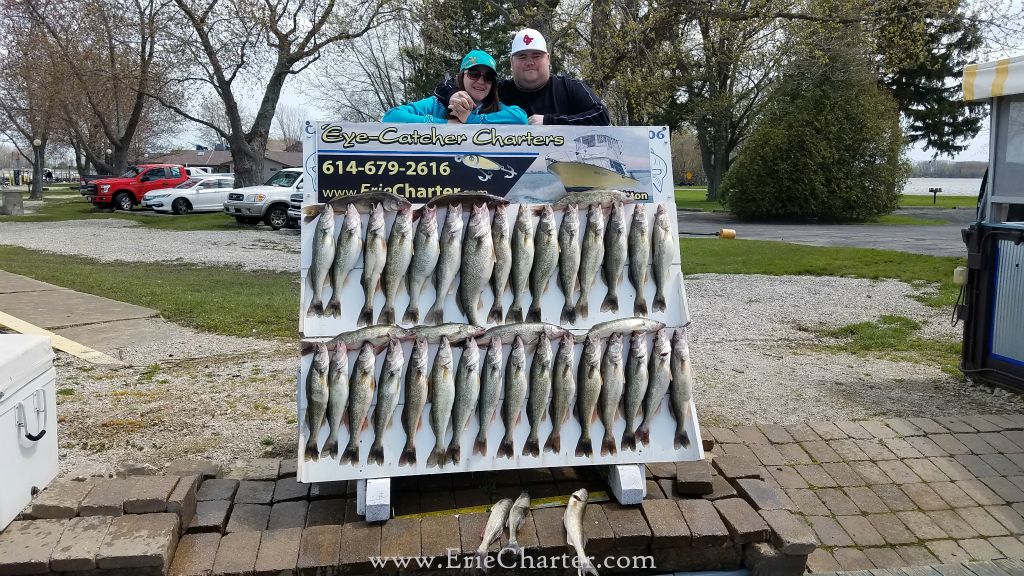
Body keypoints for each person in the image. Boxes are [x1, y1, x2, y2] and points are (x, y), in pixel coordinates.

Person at [436, 28, 610, 126]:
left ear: (548, 59)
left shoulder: (569, 87)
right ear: (512, 62)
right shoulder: (499, 89)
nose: (529, 62)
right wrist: (453, 94)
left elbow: (602, 115)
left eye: (536, 55)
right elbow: (444, 85)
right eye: (522, 56)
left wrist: (550, 121)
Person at [383, 50, 527, 124]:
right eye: (474, 73)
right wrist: (445, 124)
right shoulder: (437, 105)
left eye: (488, 77)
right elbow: (391, 116)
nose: (481, 81)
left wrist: (470, 119)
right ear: (462, 76)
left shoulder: (495, 107)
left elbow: (520, 118)